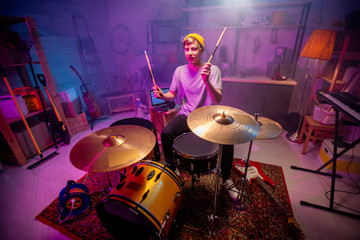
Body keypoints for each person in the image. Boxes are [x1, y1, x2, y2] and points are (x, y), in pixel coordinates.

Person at [152, 33, 240, 201]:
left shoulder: (213, 70)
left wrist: (206, 81)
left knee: (229, 139)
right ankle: (173, 170)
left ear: (201, 51)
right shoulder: (179, 71)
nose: (190, 53)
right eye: (187, 49)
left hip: (209, 117)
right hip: (188, 114)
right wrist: (162, 96)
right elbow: (172, 93)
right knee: (165, 134)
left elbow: (218, 99)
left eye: (194, 48)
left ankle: (226, 179)